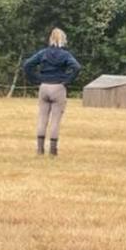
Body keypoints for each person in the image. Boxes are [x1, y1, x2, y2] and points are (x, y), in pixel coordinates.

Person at [23, 28, 81, 156]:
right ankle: (53, 151)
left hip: (44, 87)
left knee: (42, 118)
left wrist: (36, 79)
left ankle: (40, 150)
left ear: (50, 39)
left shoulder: (43, 53)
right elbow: (76, 67)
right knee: (55, 120)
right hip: (58, 87)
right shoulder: (65, 55)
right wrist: (67, 80)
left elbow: (27, 65)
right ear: (63, 40)